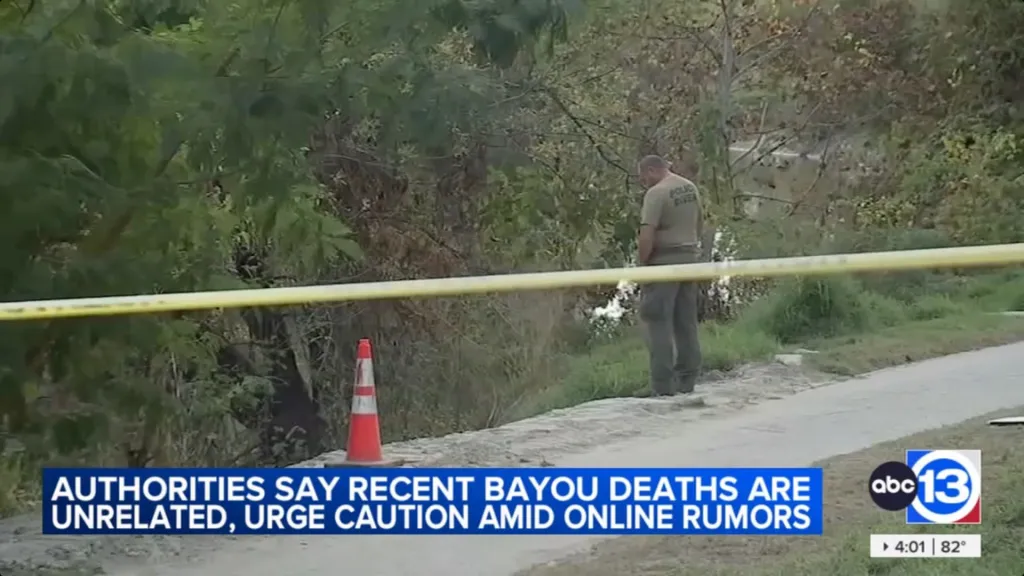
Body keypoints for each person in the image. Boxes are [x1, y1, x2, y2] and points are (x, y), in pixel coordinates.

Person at [635, 155, 704, 396]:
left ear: (652, 170)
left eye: (643, 177)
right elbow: (699, 223)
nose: (643, 182)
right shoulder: (689, 187)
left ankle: (662, 386)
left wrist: (642, 264)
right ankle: (688, 380)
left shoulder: (656, 194)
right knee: (686, 321)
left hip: (663, 262)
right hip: (689, 259)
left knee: (658, 321)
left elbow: (647, 233)